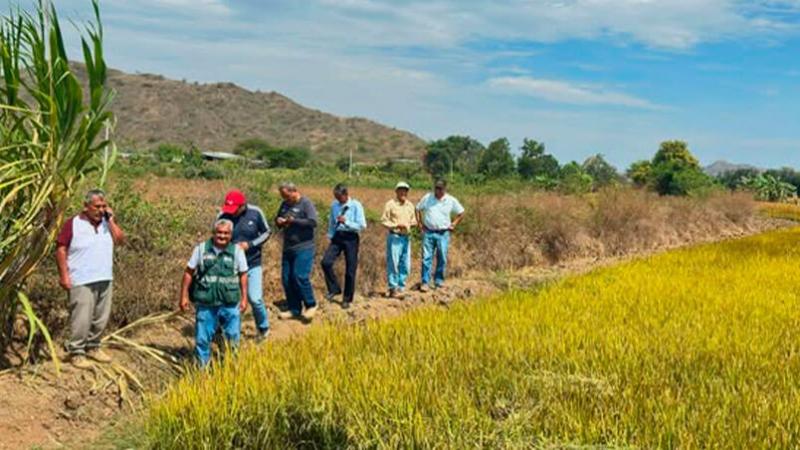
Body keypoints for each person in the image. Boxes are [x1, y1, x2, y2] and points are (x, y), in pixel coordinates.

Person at [55, 189, 126, 369]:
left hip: (104, 276)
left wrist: (110, 219)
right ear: (86, 207)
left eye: (103, 206)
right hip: (81, 278)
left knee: (101, 317)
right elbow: (61, 249)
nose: (101, 209)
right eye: (97, 206)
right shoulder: (73, 223)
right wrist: (64, 275)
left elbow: (120, 240)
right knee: (81, 318)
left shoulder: (106, 224)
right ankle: (77, 352)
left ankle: (93, 347)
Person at [179, 219, 248, 367]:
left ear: (231, 235)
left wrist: (244, 299)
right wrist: (184, 296)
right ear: (213, 233)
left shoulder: (237, 251)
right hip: (206, 304)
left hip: (230, 303)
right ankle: (203, 372)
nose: (222, 236)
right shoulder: (201, 249)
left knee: (232, 338)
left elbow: (243, 275)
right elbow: (189, 273)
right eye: (219, 232)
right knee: (202, 340)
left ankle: (231, 368)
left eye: (226, 233)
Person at [217, 189, 272, 342]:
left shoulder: (256, 213)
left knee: (255, 298)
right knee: (229, 299)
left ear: (243, 206)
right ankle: (225, 331)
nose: (231, 213)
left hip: (253, 262)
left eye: (235, 209)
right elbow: (217, 236)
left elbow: (267, 232)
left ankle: (263, 327)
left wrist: (250, 244)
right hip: (230, 265)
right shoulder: (222, 215)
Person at [274, 182, 319, 320]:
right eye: (283, 197)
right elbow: (277, 219)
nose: (285, 199)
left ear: (294, 191)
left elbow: (313, 222)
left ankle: (311, 305)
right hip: (288, 247)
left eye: (287, 196)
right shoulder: (285, 204)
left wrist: (294, 221)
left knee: (299, 276)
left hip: (304, 246)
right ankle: (294, 308)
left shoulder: (306, 203)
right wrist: (279, 221)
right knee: (287, 279)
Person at [321, 183, 367, 308]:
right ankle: (334, 288)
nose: (337, 199)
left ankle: (347, 298)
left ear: (346, 194)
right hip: (337, 236)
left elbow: (362, 225)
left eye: (339, 197)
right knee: (326, 262)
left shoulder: (356, 205)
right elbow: (331, 221)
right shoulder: (334, 205)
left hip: (351, 237)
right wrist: (330, 235)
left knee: (350, 269)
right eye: (335, 197)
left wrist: (347, 222)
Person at [415, 179, 465, 292]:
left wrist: (454, 224)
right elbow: (417, 209)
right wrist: (420, 224)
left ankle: (438, 280)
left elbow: (461, 212)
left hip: (443, 233)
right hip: (429, 232)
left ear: (444, 189)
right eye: (436, 188)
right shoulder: (427, 198)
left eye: (440, 188)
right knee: (426, 258)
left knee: (442, 257)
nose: (437, 190)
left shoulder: (450, 200)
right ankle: (425, 282)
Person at [380, 181, 416, 298]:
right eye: (400, 190)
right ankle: (392, 287)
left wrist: (410, 224)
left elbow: (414, 220)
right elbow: (384, 220)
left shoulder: (410, 205)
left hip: (406, 237)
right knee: (393, 263)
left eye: (405, 190)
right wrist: (396, 225)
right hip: (394, 237)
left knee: (405, 264)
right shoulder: (390, 204)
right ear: (396, 191)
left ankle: (401, 287)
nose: (403, 192)